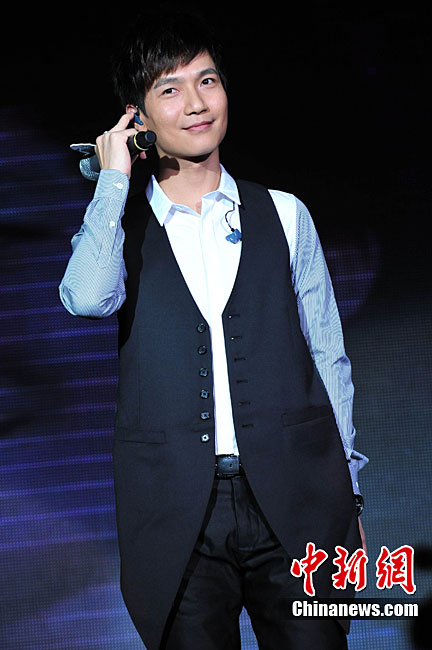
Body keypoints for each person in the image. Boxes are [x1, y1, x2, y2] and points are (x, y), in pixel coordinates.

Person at [59, 8, 369, 650]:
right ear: (137, 117)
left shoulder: (284, 214)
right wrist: (113, 179)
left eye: (207, 81)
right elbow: (86, 300)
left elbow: (328, 356)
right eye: (170, 89)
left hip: (297, 503)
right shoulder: (116, 230)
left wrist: (350, 496)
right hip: (177, 516)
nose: (197, 103)